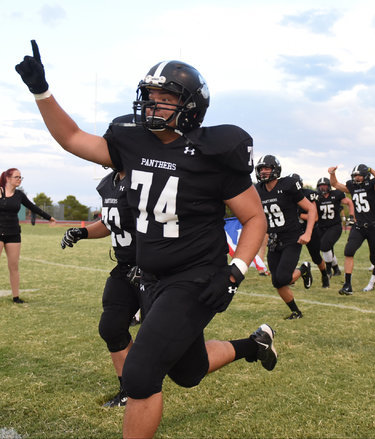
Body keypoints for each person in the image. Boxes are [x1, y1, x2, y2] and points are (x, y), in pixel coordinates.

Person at [17, 41, 274, 438]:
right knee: (187, 373)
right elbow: (71, 138)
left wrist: (235, 272)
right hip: (149, 276)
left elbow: (254, 216)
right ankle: (253, 345)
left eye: (165, 96)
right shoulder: (131, 139)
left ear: (190, 104)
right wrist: (42, 91)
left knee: (140, 375)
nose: (153, 104)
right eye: (150, 95)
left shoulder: (214, 151)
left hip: (195, 278)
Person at [60, 169, 141, 407]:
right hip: (125, 268)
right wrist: (83, 232)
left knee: (180, 356)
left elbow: (161, 223)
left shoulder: (145, 176)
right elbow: (110, 222)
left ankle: (247, 347)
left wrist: (150, 262)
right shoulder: (110, 183)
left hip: (155, 270)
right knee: (112, 327)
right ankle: (129, 389)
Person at [254, 156, 316, 319]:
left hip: (291, 237)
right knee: (277, 282)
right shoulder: (258, 190)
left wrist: (308, 233)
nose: (263, 171)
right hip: (274, 239)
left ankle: (303, 269)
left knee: (282, 278)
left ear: (275, 169)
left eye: (267, 168)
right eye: (261, 169)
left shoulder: (287, 185)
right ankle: (296, 311)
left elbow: (311, 209)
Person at [328, 164, 375, 294]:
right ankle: (347, 285)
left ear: (366, 176)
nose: (356, 178)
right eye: (355, 175)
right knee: (348, 251)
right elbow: (335, 184)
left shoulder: (373, 186)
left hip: (373, 227)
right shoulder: (352, 186)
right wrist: (332, 173)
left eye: (359, 175)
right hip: (358, 226)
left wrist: (371, 169)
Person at [0, 167, 56, 303]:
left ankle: (16, 297)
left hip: (13, 233)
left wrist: (49, 217)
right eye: (17, 177)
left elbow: (33, 207)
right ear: (8, 178)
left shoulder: (19, 195)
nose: (19, 179)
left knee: (14, 266)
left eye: (20, 177)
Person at [290, 174, 331, 288]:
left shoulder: (309, 194)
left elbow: (315, 217)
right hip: (294, 230)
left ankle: (324, 275)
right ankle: (291, 277)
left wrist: (298, 214)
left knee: (316, 257)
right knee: (290, 254)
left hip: (310, 229)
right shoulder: (286, 195)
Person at [315, 177, 355, 287]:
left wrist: (351, 216)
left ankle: (328, 271)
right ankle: (336, 269)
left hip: (334, 226)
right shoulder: (316, 197)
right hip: (322, 227)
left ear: (329, 186)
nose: (323, 188)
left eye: (325, 185)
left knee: (325, 246)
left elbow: (349, 202)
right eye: (321, 186)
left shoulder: (336, 194)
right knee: (327, 248)